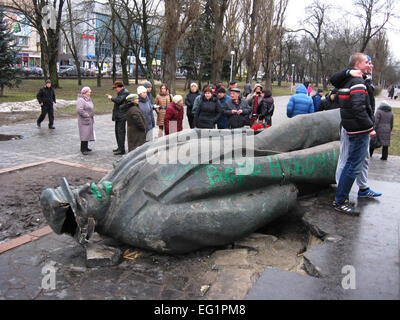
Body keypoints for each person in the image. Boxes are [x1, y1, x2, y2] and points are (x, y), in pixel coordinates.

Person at [330, 54, 381, 208]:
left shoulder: (362, 80)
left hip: (357, 127)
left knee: (357, 161)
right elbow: (358, 107)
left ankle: (356, 190)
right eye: (367, 62)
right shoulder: (355, 81)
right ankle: (340, 197)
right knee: (349, 163)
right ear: (358, 64)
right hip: (357, 128)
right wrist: (369, 127)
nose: (370, 65)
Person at [106, 81, 130, 155]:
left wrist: (111, 98)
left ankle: (121, 149)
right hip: (118, 116)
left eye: (115, 88)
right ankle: (119, 147)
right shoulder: (121, 92)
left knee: (121, 133)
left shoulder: (125, 92)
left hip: (122, 116)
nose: (115, 90)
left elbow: (119, 101)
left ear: (120, 87)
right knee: (117, 132)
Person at [76, 87, 95, 155]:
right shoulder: (81, 100)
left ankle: (86, 147)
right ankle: (83, 149)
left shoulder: (88, 99)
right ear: (85, 92)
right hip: (84, 120)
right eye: (89, 92)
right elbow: (79, 110)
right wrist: (86, 115)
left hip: (89, 119)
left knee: (87, 134)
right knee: (84, 134)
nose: (90, 93)